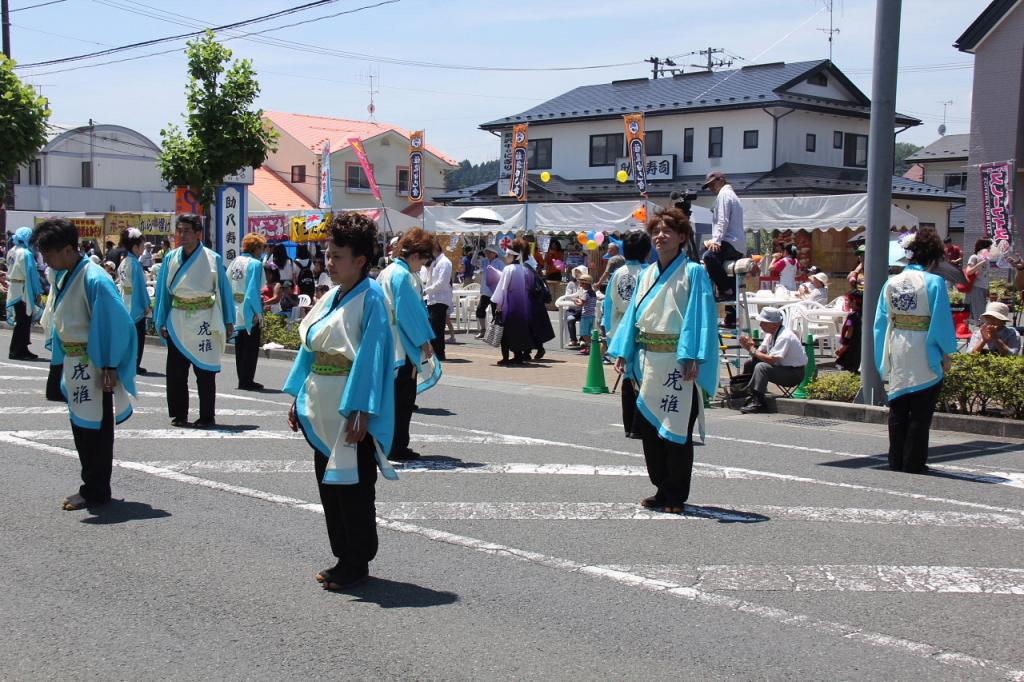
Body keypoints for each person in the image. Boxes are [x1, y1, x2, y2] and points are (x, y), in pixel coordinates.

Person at [283, 212, 398, 591]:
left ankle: (357, 560)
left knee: (353, 485)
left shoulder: (373, 298)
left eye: (337, 256)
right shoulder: (333, 295)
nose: (329, 263)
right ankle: (342, 555)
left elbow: (372, 358)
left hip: (349, 408)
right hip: (321, 404)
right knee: (329, 484)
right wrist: (298, 397)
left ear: (360, 260)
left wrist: (361, 409)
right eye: (328, 255)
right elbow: (310, 350)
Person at [609, 209, 719, 514]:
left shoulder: (694, 272)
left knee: (676, 430)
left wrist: (693, 356)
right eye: (656, 231)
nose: (660, 236)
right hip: (648, 361)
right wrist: (624, 351)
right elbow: (632, 316)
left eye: (667, 231)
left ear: (682, 237)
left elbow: (700, 318)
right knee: (650, 431)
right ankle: (660, 488)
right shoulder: (646, 273)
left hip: (677, 361)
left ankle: (675, 494)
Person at [33, 218, 137, 511]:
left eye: (49, 254)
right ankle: (92, 486)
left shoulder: (94, 278)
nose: (46, 260)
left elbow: (114, 321)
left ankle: (96, 490)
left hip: (94, 364)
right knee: (82, 427)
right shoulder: (66, 274)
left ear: (67, 249)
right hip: (75, 363)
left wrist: (109, 364)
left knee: (95, 430)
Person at [874, 227, 957, 474]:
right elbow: (941, 321)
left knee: (899, 406)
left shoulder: (891, 282)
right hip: (924, 347)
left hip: (898, 344)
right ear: (932, 257)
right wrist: (947, 351)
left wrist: (882, 355)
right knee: (921, 410)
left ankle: (895, 459)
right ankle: (914, 461)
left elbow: (881, 322)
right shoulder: (934, 282)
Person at [153, 214, 235, 429]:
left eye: (187, 231)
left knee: (205, 372)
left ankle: (207, 416)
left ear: (198, 233)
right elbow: (163, 293)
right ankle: (179, 414)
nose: (182, 235)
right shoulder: (171, 258)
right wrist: (161, 320)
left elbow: (223, 290)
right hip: (177, 318)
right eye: (179, 231)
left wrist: (228, 320)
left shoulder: (213, 258)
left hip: (204, 318)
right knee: (176, 372)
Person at [377, 228, 439, 462]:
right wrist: (424, 341)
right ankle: (397, 446)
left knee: (390, 399)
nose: (423, 265)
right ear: (415, 255)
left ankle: (386, 443)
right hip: (402, 346)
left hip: (386, 343)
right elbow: (410, 314)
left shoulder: (387, 272)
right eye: (423, 259)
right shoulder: (404, 276)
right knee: (403, 400)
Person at [601, 231, 651, 438]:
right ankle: (640, 425)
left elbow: (608, 305)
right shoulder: (649, 272)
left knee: (628, 375)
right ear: (647, 252)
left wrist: (610, 333)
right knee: (643, 377)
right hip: (642, 329)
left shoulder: (617, 273)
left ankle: (629, 425)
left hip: (620, 327)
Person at [736, 307, 808, 414]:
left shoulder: (785, 336)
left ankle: (759, 403)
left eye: (764, 322)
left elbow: (772, 360)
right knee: (750, 363)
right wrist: (749, 346)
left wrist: (752, 349)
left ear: (775, 324)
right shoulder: (770, 334)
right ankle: (744, 393)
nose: (760, 325)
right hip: (782, 368)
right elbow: (759, 353)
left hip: (793, 374)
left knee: (762, 367)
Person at [492, 239, 547, 365]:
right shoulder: (525, 269)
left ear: (514, 256)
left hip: (509, 304)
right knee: (519, 331)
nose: (506, 257)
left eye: (508, 255)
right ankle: (519, 355)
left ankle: (506, 357)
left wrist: (499, 305)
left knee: (505, 333)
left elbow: (503, 288)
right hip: (523, 305)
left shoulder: (508, 269)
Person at [228, 234, 268, 390]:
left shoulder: (236, 261)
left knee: (240, 346)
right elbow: (253, 290)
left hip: (236, 306)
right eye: (262, 247)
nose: (262, 251)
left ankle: (242, 379)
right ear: (255, 248)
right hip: (249, 308)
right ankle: (248, 380)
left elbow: (227, 282)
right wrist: (258, 312)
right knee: (251, 347)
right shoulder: (255, 264)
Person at [700, 171, 746, 301]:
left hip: (730, 242)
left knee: (708, 256)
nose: (711, 188)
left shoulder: (724, 194)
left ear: (721, 180)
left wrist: (716, 241)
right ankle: (731, 295)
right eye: (709, 186)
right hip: (736, 245)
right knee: (707, 251)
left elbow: (722, 220)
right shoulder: (732, 195)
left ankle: (725, 289)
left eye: (712, 184)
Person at [116, 228, 152, 375]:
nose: (143, 248)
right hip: (135, 303)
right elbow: (140, 288)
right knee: (138, 337)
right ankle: (135, 363)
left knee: (127, 336)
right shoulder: (135, 264)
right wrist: (146, 304)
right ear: (135, 247)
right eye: (142, 245)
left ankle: (126, 361)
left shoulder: (123, 262)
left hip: (125, 300)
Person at [6, 227, 43, 360]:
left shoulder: (12, 251)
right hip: (23, 289)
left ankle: (21, 348)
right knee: (24, 321)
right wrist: (37, 291)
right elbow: (32, 275)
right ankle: (17, 350)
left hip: (14, 288)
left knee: (22, 321)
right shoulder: (26, 254)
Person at [423, 238, 453, 361]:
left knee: (437, 328)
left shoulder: (445, 262)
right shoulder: (435, 262)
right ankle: (435, 352)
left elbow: (442, 283)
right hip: (432, 299)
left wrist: (426, 290)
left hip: (440, 299)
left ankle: (440, 353)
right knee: (432, 327)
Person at [474, 243, 505, 339]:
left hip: (495, 292)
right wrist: (476, 252)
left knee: (495, 313)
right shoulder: (485, 261)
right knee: (480, 310)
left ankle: (496, 335)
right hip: (485, 292)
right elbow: (473, 262)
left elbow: (503, 277)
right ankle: (483, 330)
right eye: (487, 252)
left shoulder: (500, 263)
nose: (487, 254)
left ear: (495, 253)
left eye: (489, 252)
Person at [964, 238, 993, 324]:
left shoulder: (986, 259)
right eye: (988, 248)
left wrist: (988, 289)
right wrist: (980, 263)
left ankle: (976, 329)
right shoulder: (974, 257)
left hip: (983, 288)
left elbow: (985, 275)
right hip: (976, 288)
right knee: (981, 317)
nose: (990, 250)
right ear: (983, 248)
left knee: (980, 315)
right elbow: (968, 271)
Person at [835, 290, 863, 373]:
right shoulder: (864, 314)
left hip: (852, 346)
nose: (846, 302)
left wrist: (844, 346)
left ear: (854, 301)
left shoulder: (852, 317)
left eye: (847, 300)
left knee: (851, 367)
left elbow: (849, 331)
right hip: (860, 345)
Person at [562, 265, 587, 349]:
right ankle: (573, 339)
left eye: (579, 272)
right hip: (572, 310)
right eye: (576, 272)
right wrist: (575, 299)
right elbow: (567, 296)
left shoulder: (587, 284)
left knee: (585, 319)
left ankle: (583, 339)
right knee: (570, 319)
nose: (576, 274)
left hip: (583, 309)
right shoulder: (571, 284)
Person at [574, 274, 598, 355]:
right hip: (592, 316)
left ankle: (592, 348)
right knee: (589, 333)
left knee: (584, 334)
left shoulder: (586, 293)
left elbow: (581, 304)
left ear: (586, 284)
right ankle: (589, 348)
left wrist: (576, 301)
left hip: (586, 316)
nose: (580, 285)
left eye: (582, 283)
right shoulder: (593, 293)